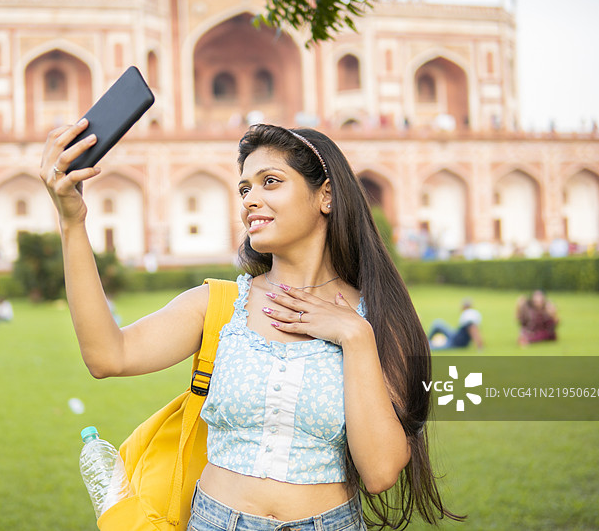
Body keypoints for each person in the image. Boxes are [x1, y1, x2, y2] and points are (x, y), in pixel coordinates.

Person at [40, 120, 462, 530]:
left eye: (270, 182)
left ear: (326, 195)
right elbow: (107, 356)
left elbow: (381, 472)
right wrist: (72, 223)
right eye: (245, 188)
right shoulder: (221, 305)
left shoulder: (376, 319)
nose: (250, 199)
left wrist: (354, 336)